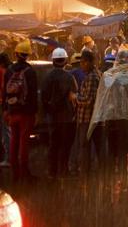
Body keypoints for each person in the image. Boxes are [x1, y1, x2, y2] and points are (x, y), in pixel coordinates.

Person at [88, 50, 128, 180]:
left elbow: (102, 99)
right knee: (123, 149)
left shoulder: (107, 76)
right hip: (125, 120)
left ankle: (109, 177)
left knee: (111, 148)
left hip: (109, 118)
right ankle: (122, 177)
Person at [3, 40, 38, 182]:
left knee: (13, 142)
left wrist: (5, 109)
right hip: (26, 113)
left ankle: (14, 174)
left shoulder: (9, 70)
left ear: (16, 54)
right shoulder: (30, 71)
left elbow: (4, 92)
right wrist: (35, 112)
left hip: (12, 111)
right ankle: (25, 174)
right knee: (24, 144)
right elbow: (33, 95)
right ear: (28, 55)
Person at [41, 48, 78, 178]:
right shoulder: (69, 77)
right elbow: (74, 97)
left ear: (53, 61)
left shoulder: (47, 76)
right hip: (67, 117)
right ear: (65, 61)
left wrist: (48, 111)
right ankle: (64, 169)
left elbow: (44, 97)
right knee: (66, 145)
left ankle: (52, 171)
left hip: (53, 117)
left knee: (53, 144)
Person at [74, 50, 103, 176]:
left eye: (83, 63)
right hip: (93, 118)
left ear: (89, 62)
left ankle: (85, 174)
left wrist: (75, 97)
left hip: (88, 118)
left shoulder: (92, 77)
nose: (81, 65)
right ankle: (98, 172)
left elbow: (89, 100)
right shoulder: (96, 74)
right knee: (96, 146)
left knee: (85, 146)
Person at [0, 53, 11, 167]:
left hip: (3, 105)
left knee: (5, 131)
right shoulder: (10, 70)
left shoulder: (2, 71)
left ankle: (8, 158)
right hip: (8, 104)